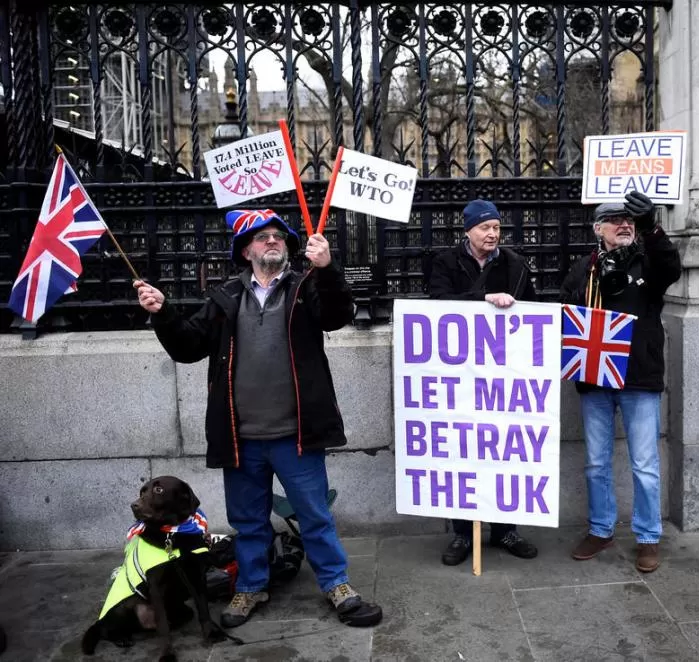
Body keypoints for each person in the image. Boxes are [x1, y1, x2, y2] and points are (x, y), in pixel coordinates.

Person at [134, 209, 382, 629]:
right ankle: (250, 586)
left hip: (296, 435)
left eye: (279, 237)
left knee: (314, 516)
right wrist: (163, 313)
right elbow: (188, 346)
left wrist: (326, 269)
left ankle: (337, 585)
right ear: (246, 250)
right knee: (247, 521)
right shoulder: (225, 297)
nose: (272, 242)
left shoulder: (305, 288)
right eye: (262, 237)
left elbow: (336, 314)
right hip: (241, 436)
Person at [560, 191, 682, 573]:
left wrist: (652, 226)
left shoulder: (649, 261)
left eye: (629, 219)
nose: (624, 224)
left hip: (638, 378)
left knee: (644, 463)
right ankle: (601, 528)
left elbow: (671, 268)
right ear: (599, 229)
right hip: (595, 379)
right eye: (615, 219)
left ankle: (648, 537)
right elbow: (567, 316)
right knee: (596, 462)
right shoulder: (583, 269)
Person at [427, 198, 540, 566]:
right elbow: (438, 305)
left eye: (496, 228)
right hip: (459, 377)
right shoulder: (445, 262)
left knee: (503, 452)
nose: (492, 234)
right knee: (463, 455)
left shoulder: (515, 264)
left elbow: (533, 312)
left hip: (503, 378)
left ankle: (505, 529)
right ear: (468, 231)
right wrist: (484, 299)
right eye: (484, 228)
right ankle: (462, 534)